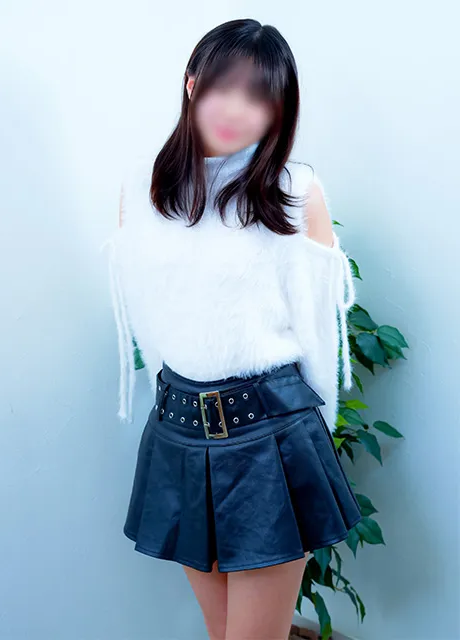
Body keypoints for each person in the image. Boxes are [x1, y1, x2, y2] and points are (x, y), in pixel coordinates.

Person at [101, 18, 362, 640]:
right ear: (193, 83)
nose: (237, 110)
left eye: (258, 97)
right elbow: (150, 318)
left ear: (278, 112)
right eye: (224, 87)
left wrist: (308, 453)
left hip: (269, 435)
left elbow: (319, 338)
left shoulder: (294, 191)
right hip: (179, 429)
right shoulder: (143, 189)